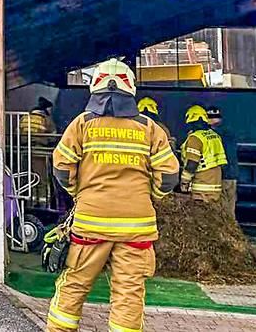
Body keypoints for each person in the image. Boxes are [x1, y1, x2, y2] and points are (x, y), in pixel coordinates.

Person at [47, 58, 179, 332]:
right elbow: (168, 177)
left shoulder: (82, 124)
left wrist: (80, 194)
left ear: (94, 89)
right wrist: (149, 197)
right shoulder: (150, 128)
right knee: (129, 293)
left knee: (74, 284)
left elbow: (61, 168)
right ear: (131, 90)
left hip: (90, 222)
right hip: (137, 226)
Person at [179, 105, 226, 203]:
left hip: (201, 189)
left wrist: (184, 182)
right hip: (215, 186)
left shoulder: (195, 138)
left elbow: (192, 163)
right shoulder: (215, 135)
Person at [207, 106, 239, 216]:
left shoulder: (213, 134)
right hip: (232, 174)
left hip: (221, 175)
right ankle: (232, 231)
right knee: (230, 209)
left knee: (222, 211)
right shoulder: (229, 132)